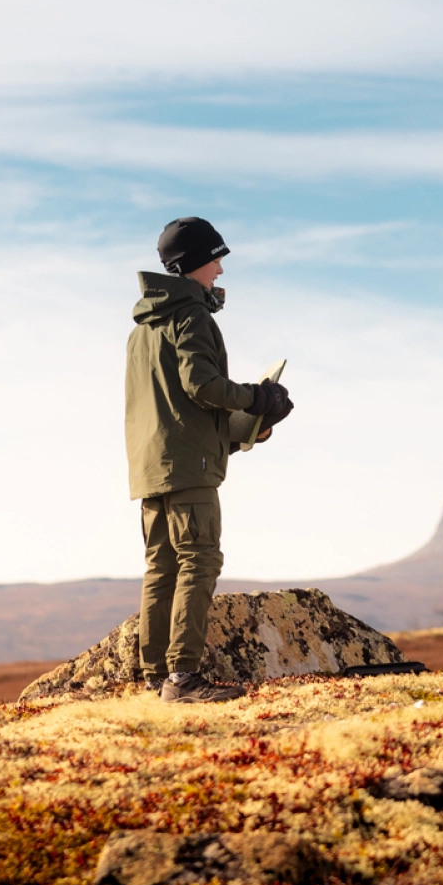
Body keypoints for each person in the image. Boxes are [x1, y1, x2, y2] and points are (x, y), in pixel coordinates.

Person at [125, 217, 295, 703]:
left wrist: (247, 429)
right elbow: (201, 386)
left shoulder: (142, 329)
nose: (220, 269)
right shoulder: (190, 316)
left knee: (161, 565)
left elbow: (173, 404)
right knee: (199, 561)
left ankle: (156, 676)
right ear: (194, 264)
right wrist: (257, 397)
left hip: (150, 465)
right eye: (216, 259)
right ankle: (183, 679)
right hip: (188, 467)